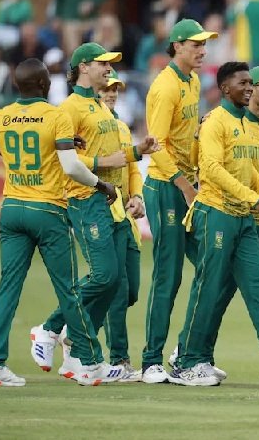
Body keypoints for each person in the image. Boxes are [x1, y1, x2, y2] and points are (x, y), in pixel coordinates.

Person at [170, 61, 259, 387]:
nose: (249, 88)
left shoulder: (242, 122)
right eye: (244, 83)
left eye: (252, 83)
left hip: (243, 218)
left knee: (258, 292)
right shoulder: (215, 121)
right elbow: (211, 168)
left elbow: (245, 168)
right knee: (209, 290)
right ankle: (186, 360)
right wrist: (256, 199)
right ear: (225, 88)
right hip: (217, 213)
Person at [29, 43, 158, 382]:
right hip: (85, 198)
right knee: (104, 276)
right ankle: (50, 327)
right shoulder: (68, 109)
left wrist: (137, 151)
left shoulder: (100, 108)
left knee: (114, 282)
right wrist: (107, 162)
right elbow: (64, 159)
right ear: (84, 67)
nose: (109, 70)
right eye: (103, 64)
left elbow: (115, 157)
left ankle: (77, 351)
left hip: (109, 202)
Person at [0, 58, 118, 386]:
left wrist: (54, 145)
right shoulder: (55, 115)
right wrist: (101, 185)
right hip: (47, 210)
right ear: (45, 85)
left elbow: (4, 149)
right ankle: (88, 362)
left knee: (7, 288)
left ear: (17, 85)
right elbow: (72, 167)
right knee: (68, 290)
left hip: (12, 208)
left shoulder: (1, 116)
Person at [141, 19, 218, 384]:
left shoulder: (193, 81)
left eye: (204, 44)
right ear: (177, 46)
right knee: (168, 275)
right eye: (196, 44)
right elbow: (154, 146)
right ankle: (150, 361)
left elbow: (185, 135)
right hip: (166, 188)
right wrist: (186, 186)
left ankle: (188, 351)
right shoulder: (165, 86)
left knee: (212, 265)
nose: (203, 50)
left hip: (187, 184)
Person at [98, 69, 144, 382]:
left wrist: (137, 196)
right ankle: (119, 359)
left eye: (115, 89)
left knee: (130, 292)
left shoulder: (123, 127)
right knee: (117, 289)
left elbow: (133, 169)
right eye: (106, 89)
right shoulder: (91, 126)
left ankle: (75, 326)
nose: (112, 93)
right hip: (104, 214)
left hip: (127, 216)